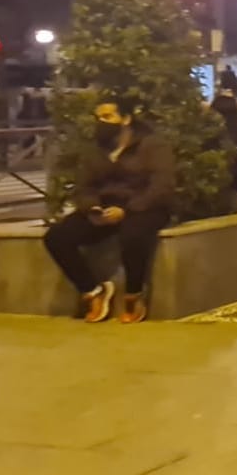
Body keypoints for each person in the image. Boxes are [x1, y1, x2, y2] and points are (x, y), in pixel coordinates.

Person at [41, 95, 174, 323]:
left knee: (132, 235)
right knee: (57, 237)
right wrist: (93, 208)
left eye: (108, 116)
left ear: (125, 119)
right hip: (104, 208)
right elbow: (83, 186)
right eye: (98, 117)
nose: (101, 122)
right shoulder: (94, 150)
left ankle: (134, 294)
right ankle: (93, 291)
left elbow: (162, 184)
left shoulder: (151, 144)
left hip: (144, 206)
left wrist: (128, 210)